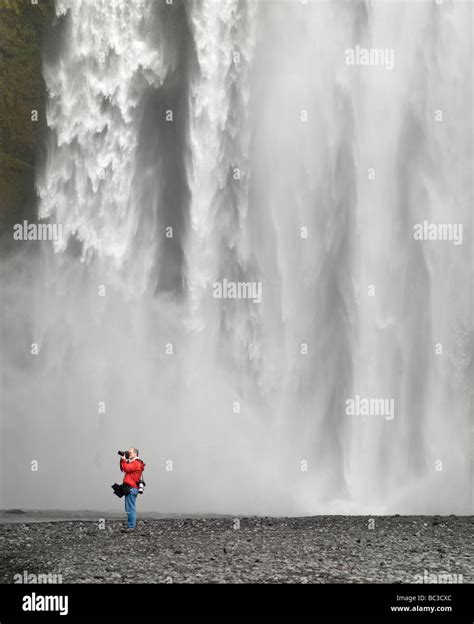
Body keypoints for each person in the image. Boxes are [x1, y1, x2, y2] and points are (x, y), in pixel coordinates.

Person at [119, 447, 145, 532]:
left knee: (130, 508)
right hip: (130, 488)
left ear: (135, 454)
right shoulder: (133, 463)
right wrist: (122, 460)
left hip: (132, 488)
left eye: (130, 452)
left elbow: (126, 468)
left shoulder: (136, 463)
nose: (128, 454)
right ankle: (131, 526)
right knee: (129, 508)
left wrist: (124, 460)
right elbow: (123, 469)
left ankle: (131, 527)